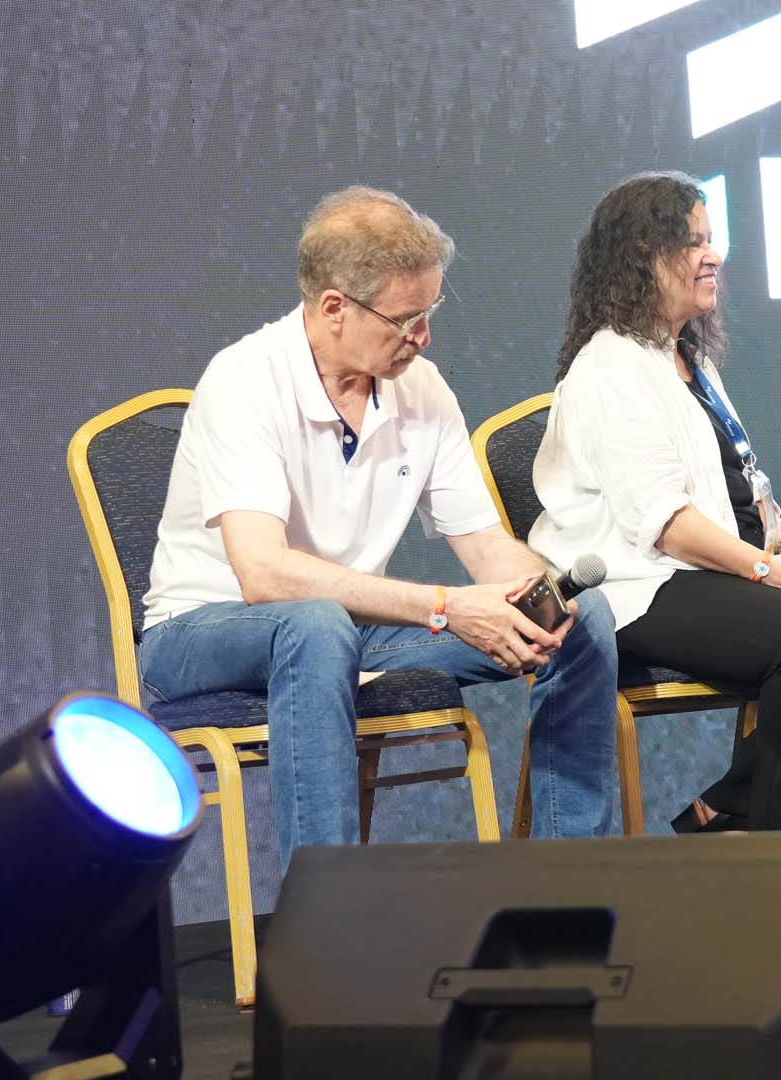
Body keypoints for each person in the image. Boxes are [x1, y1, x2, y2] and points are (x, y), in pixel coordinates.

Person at [139, 186, 618, 869]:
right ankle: (326, 912)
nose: (423, 337)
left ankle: (570, 880)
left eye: (430, 313)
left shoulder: (423, 390)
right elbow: (263, 574)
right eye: (406, 319)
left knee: (581, 617)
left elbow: (486, 547)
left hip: (350, 628)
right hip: (203, 628)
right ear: (335, 307)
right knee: (314, 626)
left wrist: (539, 592)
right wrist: (446, 607)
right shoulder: (244, 381)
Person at [530, 171, 781, 832]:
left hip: (705, 571)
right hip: (636, 586)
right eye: (693, 242)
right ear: (642, 257)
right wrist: (766, 571)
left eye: (712, 240)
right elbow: (666, 525)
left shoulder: (690, 362)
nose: (714, 257)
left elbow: (736, 489)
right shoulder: (610, 368)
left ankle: (728, 808)